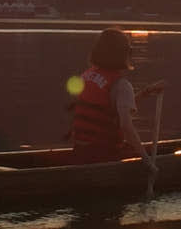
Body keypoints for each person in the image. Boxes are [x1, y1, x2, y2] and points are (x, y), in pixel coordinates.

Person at [70, 28, 164, 166]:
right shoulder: (121, 85)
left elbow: (110, 109)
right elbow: (126, 125)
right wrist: (148, 162)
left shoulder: (86, 76)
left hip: (79, 152)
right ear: (123, 54)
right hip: (105, 155)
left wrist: (146, 92)